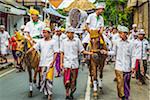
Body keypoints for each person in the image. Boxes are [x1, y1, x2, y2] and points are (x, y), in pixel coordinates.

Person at [60, 27, 93, 100]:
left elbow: (82, 51)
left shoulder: (77, 41)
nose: (69, 34)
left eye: (71, 33)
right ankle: (67, 93)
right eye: (68, 33)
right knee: (66, 80)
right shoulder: (64, 41)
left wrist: (90, 53)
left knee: (73, 80)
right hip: (67, 63)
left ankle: (72, 92)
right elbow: (62, 52)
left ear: (73, 33)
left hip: (75, 63)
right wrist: (61, 63)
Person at [27, 27, 58, 100]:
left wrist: (53, 62)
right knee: (43, 79)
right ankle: (46, 92)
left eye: (46, 32)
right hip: (42, 63)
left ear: (49, 33)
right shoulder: (40, 41)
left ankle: (50, 94)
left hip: (50, 63)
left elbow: (56, 52)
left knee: (49, 79)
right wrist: (28, 52)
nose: (44, 34)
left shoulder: (53, 42)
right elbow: (34, 47)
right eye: (43, 33)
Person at [103, 25, 133, 100]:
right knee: (120, 82)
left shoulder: (131, 43)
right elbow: (114, 52)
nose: (120, 35)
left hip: (127, 67)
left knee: (126, 83)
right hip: (119, 66)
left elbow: (133, 56)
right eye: (119, 33)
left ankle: (126, 96)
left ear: (126, 34)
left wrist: (132, 67)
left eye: (122, 33)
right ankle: (121, 96)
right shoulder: (116, 42)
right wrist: (106, 52)